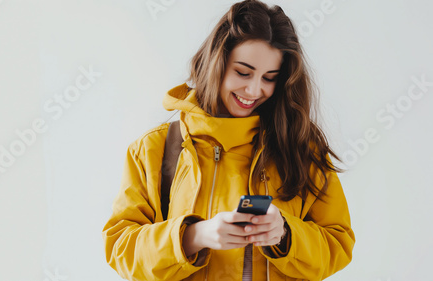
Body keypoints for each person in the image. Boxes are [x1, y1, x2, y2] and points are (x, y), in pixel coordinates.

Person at [102, 0, 355, 280]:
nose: (254, 89)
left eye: (269, 78)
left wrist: (285, 233)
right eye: (243, 72)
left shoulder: (300, 148)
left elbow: (338, 244)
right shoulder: (153, 150)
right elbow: (120, 248)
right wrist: (193, 236)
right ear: (216, 63)